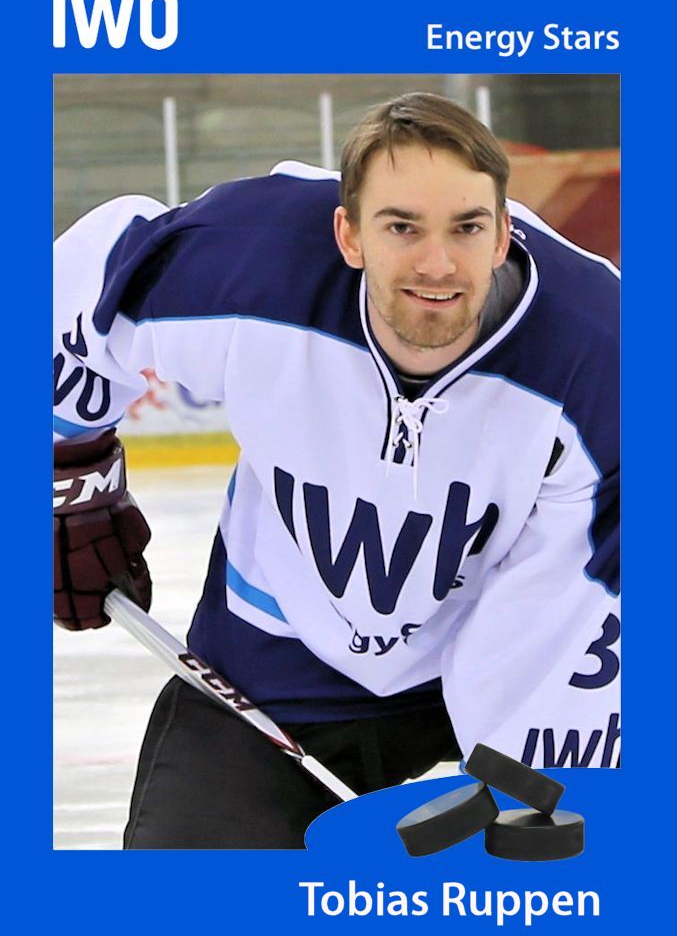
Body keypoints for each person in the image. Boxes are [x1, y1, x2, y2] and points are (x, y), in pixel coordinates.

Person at [53, 92, 620, 849]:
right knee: (185, 899)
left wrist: (528, 813)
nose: (437, 264)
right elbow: (79, 296)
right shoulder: (247, 263)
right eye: (401, 227)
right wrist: (70, 469)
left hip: (508, 646)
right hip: (278, 659)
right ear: (348, 234)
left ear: (501, 235)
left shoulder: (601, 358)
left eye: (466, 227)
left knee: (547, 870)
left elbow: (568, 620)